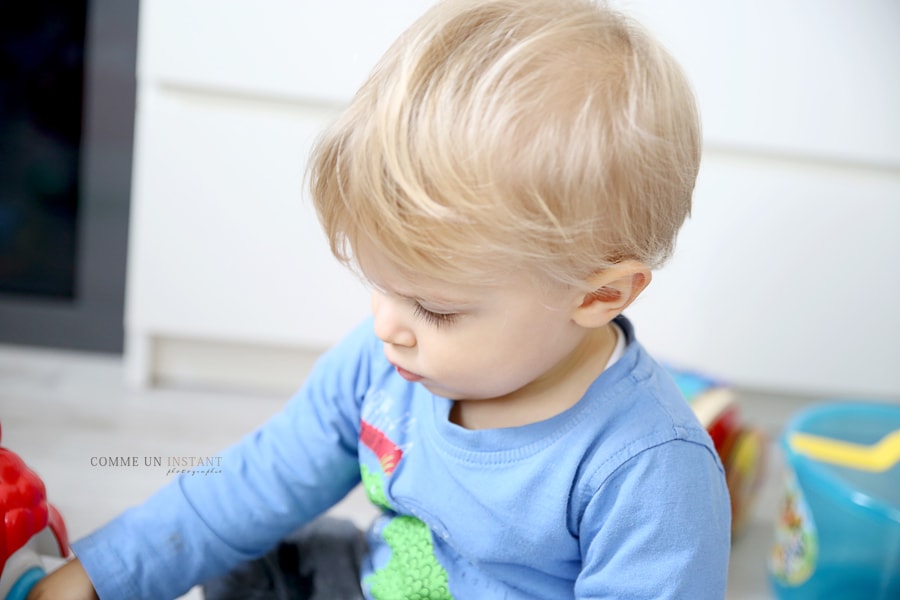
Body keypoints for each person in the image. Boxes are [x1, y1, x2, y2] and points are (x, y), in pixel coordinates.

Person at [30, 0, 731, 598]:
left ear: (600, 292)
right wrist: (97, 574)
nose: (385, 325)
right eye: (380, 284)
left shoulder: (649, 472)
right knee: (255, 549)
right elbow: (257, 479)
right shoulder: (381, 365)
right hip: (374, 577)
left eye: (436, 309)